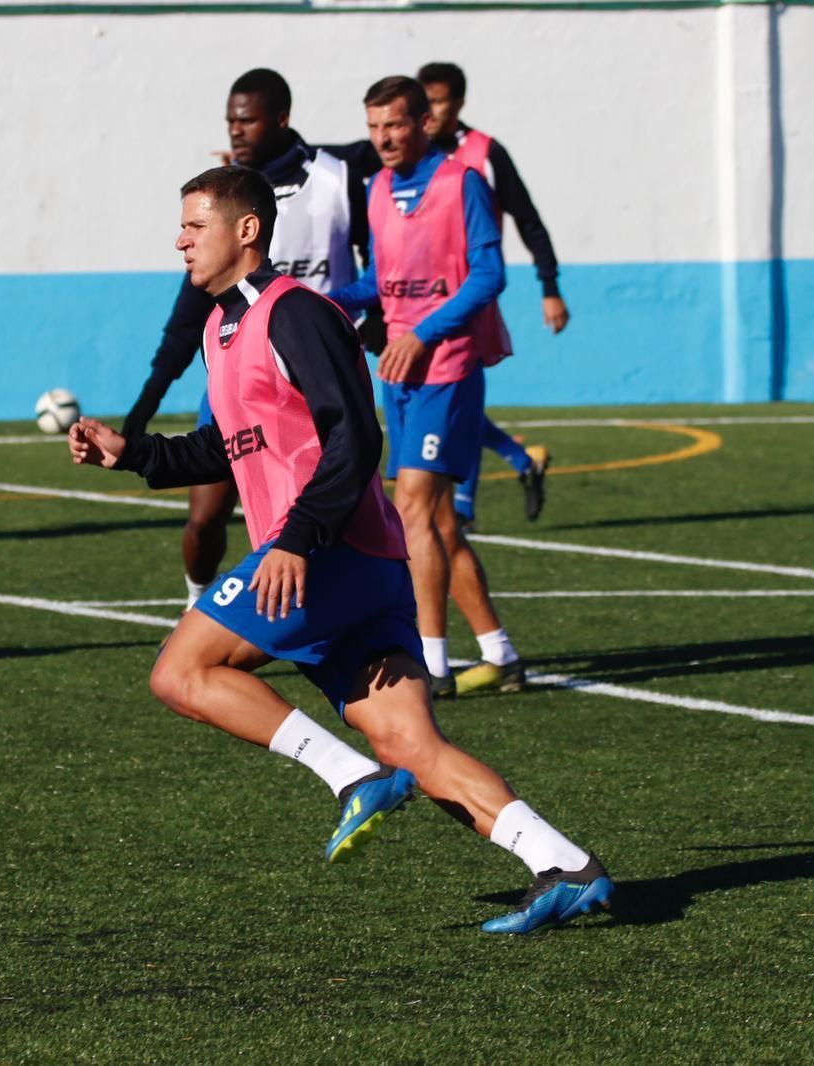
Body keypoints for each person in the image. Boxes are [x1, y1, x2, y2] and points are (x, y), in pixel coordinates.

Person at [70, 165, 614, 934]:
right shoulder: (220, 330)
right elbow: (228, 447)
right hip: (355, 567)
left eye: (195, 224)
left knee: (180, 672)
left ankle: (352, 778)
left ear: (247, 230)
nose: (180, 240)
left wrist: (297, 539)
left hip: (331, 554)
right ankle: (564, 866)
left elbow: (355, 437)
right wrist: (133, 454)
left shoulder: (295, 312)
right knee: (411, 745)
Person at [120, 69, 369, 613]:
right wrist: (137, 429)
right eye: (230, 120)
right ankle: (199, 604)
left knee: (187, 668)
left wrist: (368, 315)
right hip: (245, 370)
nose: (235, 129)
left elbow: (383, 262)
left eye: (248, 119)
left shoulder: (333, 181)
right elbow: (185, 322)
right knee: (206, 515)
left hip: (308, 374)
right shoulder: (219, 304)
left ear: (280, 118)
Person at [330, 77, 524, 699]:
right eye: (374, 127)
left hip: (447, 365)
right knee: (437, 521)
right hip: (399, 369)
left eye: (394, 124)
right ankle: (500, 653)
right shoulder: (378, 189)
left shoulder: (463, 182)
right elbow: (380, 282)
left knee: (410, 507)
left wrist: (423, 333)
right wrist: (320, 301)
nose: (383, 138)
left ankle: (431, 662)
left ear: (423, 123)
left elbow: (489, 275)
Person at [419, 61, 570, 530]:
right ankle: (522, 461)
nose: (430, 111)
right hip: (419, 299)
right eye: (424, 101)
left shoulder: (485, 153)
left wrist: (550, 287)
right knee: (444, 395)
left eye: (439, 101)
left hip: (471, 295)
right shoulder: (407, 152)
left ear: (459, 103)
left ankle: (464, 506)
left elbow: (528, 219)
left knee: (457, 391)